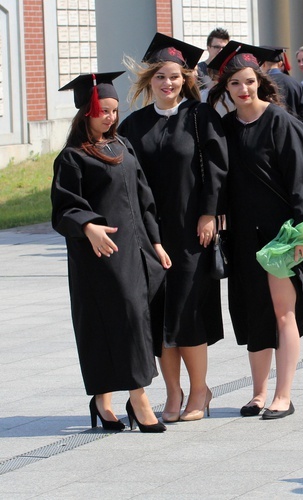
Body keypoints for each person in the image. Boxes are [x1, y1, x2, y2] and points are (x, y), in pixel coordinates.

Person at [207, 43, 303, 419]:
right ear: (226, 89)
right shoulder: (224, 128)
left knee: (282, 313)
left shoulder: (281, 123)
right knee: (253, 312)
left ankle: (283, 395)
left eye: (249, 82)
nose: (243, 90)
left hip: (281, 238)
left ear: (260, 81)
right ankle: (258, 393)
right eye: (235, 85)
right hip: (243, 236)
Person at [119, 33, 228, 422]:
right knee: (160, 315)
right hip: (152, 235)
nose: (168, 83)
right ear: (150, 80)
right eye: (161, 77)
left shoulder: (200, 118)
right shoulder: (134, 126)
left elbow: (217, 168)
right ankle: (173, 393)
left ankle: (200, 391)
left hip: (191, 232)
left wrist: (209, 213)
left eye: (176, 77)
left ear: (186, 80)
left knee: (188, 313)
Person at [51, 72, 169, 433]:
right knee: (117, 321)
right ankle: (139, 397)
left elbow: (144, 198)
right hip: (99, 257)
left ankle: (103, 400)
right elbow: (64, 208)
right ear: (86, 112)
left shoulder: (123, 147)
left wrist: (157, 242)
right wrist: (88, 225)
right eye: (104, 110)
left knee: (132, 319)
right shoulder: (71, 158)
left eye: (115, 111)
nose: (110, 117)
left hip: (137, 250)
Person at [258, 46, 303, 144]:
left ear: (262, 65)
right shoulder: (296, 84)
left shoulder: (259, 85)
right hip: (294, 138)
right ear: (280, 64)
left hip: (268, 139)